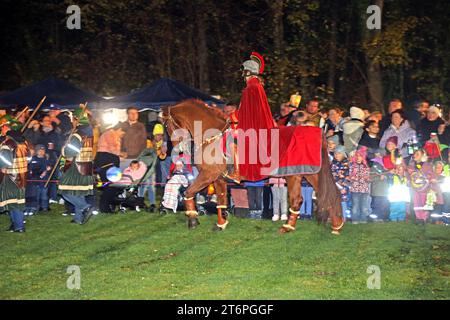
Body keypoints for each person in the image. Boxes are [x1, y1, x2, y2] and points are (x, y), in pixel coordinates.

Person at [235, 52, 275, 182]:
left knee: (233, 142)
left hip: (252, 127)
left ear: (248, 72)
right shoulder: (256, 86)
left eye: (244, 73)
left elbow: (245, 112)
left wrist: (231, 116)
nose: (243, 77)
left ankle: (237, 171)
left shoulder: (251, 88)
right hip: (256, 125)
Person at [58, 105, 96, 225]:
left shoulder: (77, 134)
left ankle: (86, 207)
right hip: (86, 165)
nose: (71, 121)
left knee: (66, 192)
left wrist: (63, 149)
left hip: (76, 167)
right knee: (78, 192)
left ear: (77, 119)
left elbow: (70, 152)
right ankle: (78, 218)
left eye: (72, 118)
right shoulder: (89, 133)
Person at [0, 122, 29, 233]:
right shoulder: (24, 142)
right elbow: (29, 156)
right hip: (22, 175)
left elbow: (5, 161)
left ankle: (19, 226)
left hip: (11, 176)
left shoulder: (8, 143)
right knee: (16, 201)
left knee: (14, 202)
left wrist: (2, 166)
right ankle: (15, 224)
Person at [138, 123, 167, 212]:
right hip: (144, 166)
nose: (159, 137)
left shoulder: (162, 143)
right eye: (158, 135)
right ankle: (140, 201)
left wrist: (163, 152)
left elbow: (162, 157)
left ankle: (152, 203)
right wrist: (158, 151)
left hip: (152, 167)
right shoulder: (148, 142)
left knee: (151, 186)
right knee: (142, 185)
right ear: (154, 135)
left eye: (161, 135)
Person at [408, 149, 442, 223]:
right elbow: (408, 174)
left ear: (423, 155)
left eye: (418, 154)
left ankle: (424, 218)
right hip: (415, 188)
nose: (415, 155)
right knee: (416, 203)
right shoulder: (411, 165)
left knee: (424, 202)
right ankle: (418, 218)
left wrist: (431, 178)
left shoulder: (427, 165)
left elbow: (431, 173)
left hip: (425, 188)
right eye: (415, 153)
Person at [25, 145, 52, 215]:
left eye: (43, 150)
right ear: (36, 151)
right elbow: (31, 168)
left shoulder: (46, 159)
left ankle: (45, 207)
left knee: (44, 194)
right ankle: (35, 207)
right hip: (35, 180)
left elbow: (50, 167)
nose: (41, 152)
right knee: (36, 194)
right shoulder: (33, 159)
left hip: (44, 180)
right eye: (40, 150)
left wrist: (48, 169)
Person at [349, 147, 371, 223]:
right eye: (357, 156)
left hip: (364, 190)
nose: (358, 158)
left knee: (364, 206)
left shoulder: (366, 167)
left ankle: (363, 219)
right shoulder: (352, 166)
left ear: (363, 157)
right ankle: (355, 219)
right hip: (355, 189)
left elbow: (368, 178)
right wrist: (353, 177)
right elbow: (350, 177)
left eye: (360, 156)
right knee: (355, 205)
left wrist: (367, 178)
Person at [331, 145, 351, 221]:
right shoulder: (333, 163)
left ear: (343, 154)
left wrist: (342, 185)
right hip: (334, 186)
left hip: (343, 187)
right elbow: (331, 173)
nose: (337, 155)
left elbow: (348, 176)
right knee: (334, 201)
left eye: (339, 153)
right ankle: (335, 216)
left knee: (343, 201)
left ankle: (344, 217)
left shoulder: (346, 163)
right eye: (335, 153)